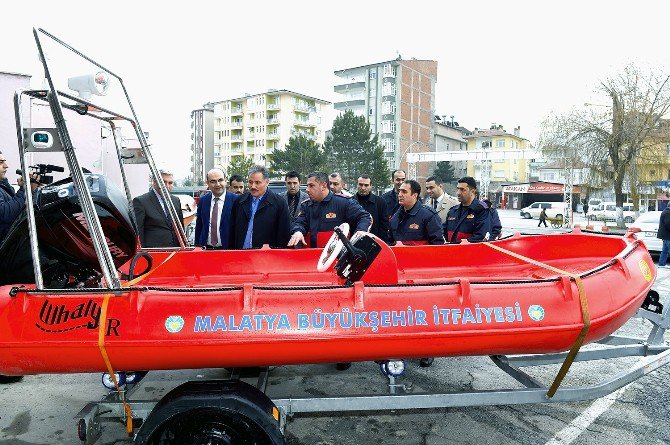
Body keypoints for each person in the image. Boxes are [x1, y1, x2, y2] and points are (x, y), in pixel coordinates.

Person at [288, 171, 372, 249]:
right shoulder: (306, 205)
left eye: (311, 185)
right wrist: (298, 231)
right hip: (312, 256)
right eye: (307, 186)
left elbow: (364, 217)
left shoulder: (343, 203)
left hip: (336, 258)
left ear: (323, 186)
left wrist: (359, 234)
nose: (307, 189)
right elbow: (300, 223)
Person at [229, 166, 290, 249]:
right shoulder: (239, 201)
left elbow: (283, 236)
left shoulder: (279, 203)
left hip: (265, 257)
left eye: (257, 182)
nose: (253, 186)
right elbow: (232, 231)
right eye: (250, 182)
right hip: (240, 255)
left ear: (267, 182)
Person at [132, 169, 184, 248]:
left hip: (175, 251)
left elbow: (180, 228)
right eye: (163, 182)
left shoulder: (176, 200)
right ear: (154, 182)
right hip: (154, 252)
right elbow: (138, 232)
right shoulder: (141, 201)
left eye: (170, 183)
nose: (167, 186)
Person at [0, 152, 39, 245]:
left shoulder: (3, 185)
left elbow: (20, 208)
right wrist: (25, 189)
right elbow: (5, 214)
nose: (6, 166)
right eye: (1, 162)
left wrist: (33, 189)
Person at [389, 180, 444, 246]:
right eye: (399, 191)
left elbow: (437, 244)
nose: (400, 195)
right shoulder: (395, 217)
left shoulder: (429, 216)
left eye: (404, 192)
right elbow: (390, 241)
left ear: (414, 195)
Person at [194, 168, 237, 248]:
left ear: (225, 180)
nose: (217, 184)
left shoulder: (236, 200)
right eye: (213, 181)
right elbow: (199, 226)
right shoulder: (203, 201)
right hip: (206, 250)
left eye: (220, 180)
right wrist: (197, 247)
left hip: (228, 250)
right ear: (207, 183)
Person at [444, 176, 490, 243]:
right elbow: (443, 232)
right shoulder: (453, 211)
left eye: (462, 189)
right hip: (451, 251)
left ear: (472, 192)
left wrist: (457, 244)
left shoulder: (482, 211)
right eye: (458, 189)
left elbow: (480, 236)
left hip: (469, 251)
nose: (458, 193)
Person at [353, 175, 390, 242]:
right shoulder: (350, 202)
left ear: (371, 186)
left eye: (366, 185)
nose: (363, 188)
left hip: (375, 243)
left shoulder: (380, 202)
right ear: (357, 185)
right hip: (353, 243)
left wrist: (381, 244)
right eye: (360, 185)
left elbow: (384, 226)